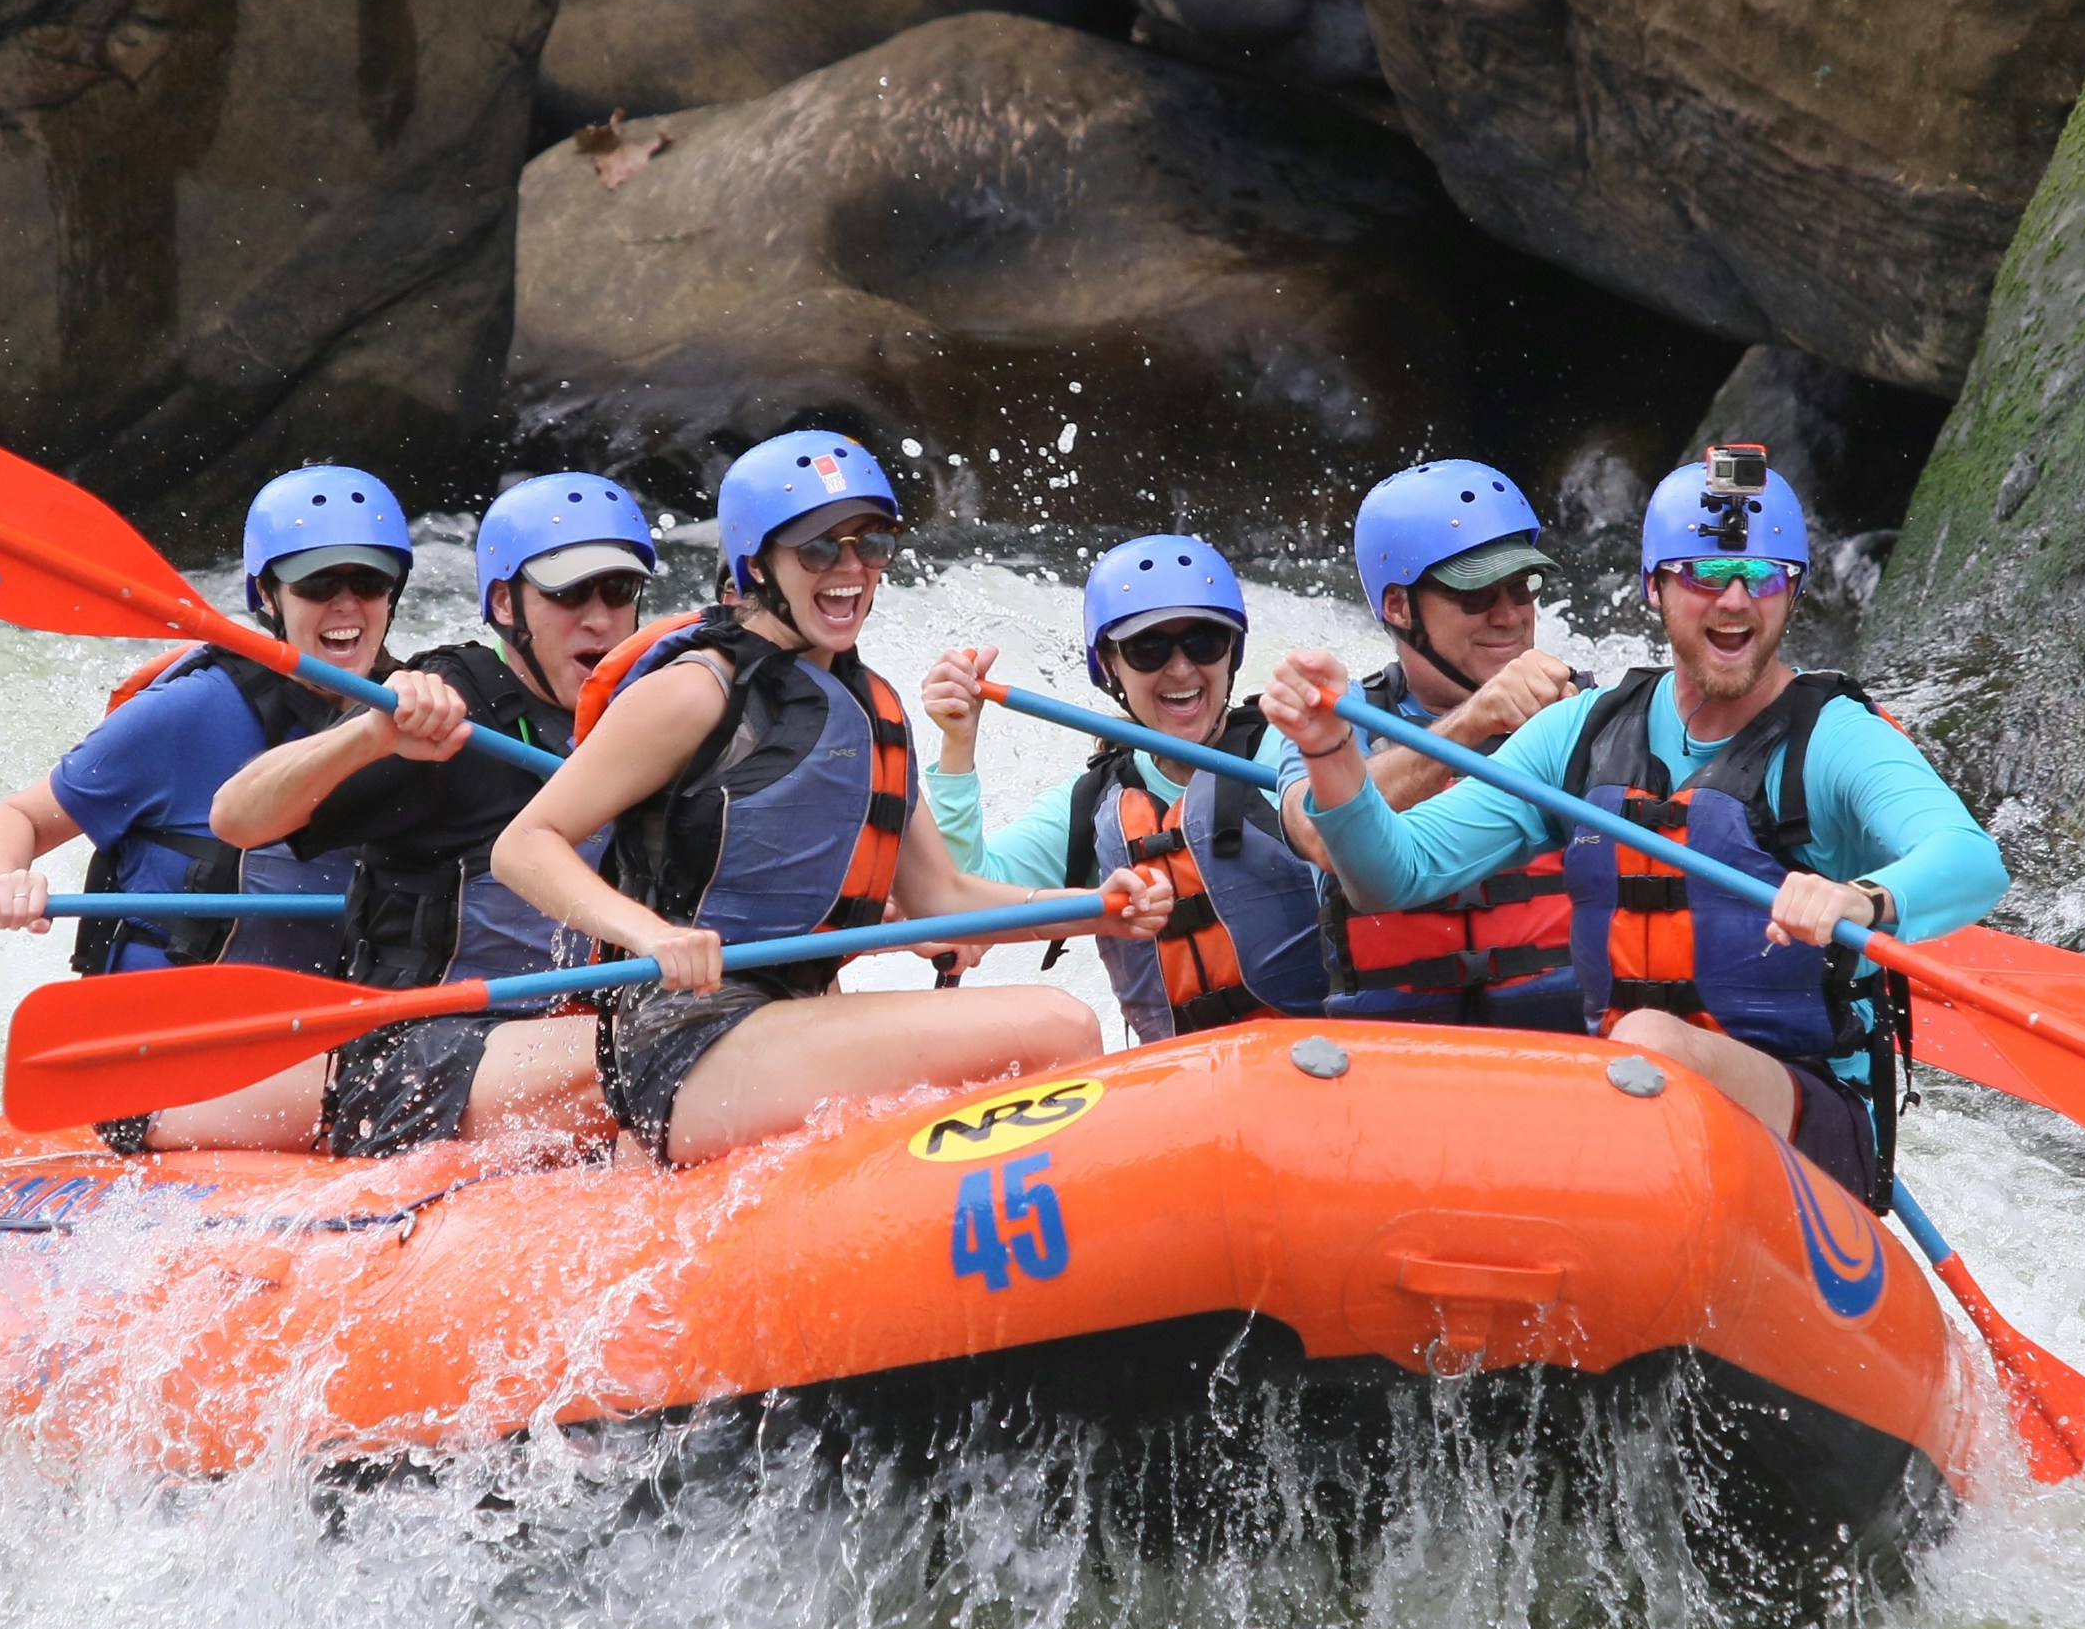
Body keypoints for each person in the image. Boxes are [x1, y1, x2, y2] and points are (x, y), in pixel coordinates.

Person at [1261, 447, 2008, 1206]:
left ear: (1796, 591)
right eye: (1706, 576)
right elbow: (1397, 872)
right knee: (1630, 1061)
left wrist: (1862, 900)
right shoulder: (1584, 732)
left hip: (1805, 1121)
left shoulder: (1836, 738)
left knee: (1649, 1043)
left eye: (1767, 577)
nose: (1736, 603)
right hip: (1626, 1110)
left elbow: (1970, 859)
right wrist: (1330, 758)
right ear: (1653, 587)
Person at [492, 431, 1171, 1166]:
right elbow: (524, 845)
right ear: (757, 565)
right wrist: (651, 935)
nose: (850, 570)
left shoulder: (874, 707)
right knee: (1059, 1024)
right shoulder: (695, 691)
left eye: (870, 545)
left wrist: (1091, 906)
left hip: (792, 1023)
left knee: (1040, 1028)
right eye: (818, 549)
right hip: (687, 1041)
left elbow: (940, 895)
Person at [122, 476, 658, 1157]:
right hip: (415, 1052)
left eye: (620, 591)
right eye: (568, 593)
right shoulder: (449, 711)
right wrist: (371, 733)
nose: (600, 618)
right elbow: (236, 818)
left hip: (567, 1025)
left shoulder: (645, 707)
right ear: (505, 603)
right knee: (657, 1048)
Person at [0, 466, 413, 981]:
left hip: (339, 1024)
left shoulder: (421, 710)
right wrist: (5, 881)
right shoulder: (192, 710)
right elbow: (18, 816)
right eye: (316, 584)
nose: (346, 604)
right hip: (177, 1004)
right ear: (269, 596)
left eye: (369, 582)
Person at [920, 534, 1325, 1043]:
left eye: (1204, 641)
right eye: (1147, 648)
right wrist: (958, 745)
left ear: (1232, 653)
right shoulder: (1093, 803)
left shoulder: (1294, 752)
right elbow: (956, 896)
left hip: (1323, 1055)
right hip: (1177, 1075)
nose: (1180, 669)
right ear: (1110, 666)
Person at [1274, 460, 1594, 1033]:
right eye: (1475, 595)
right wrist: (1472, 722)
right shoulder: (1328, 716)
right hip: (1395, 1056)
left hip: (1569, 1045)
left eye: (1523, 587)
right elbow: (1319, 835)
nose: (1509, 616)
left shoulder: (1594, 712)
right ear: (1399, 607)